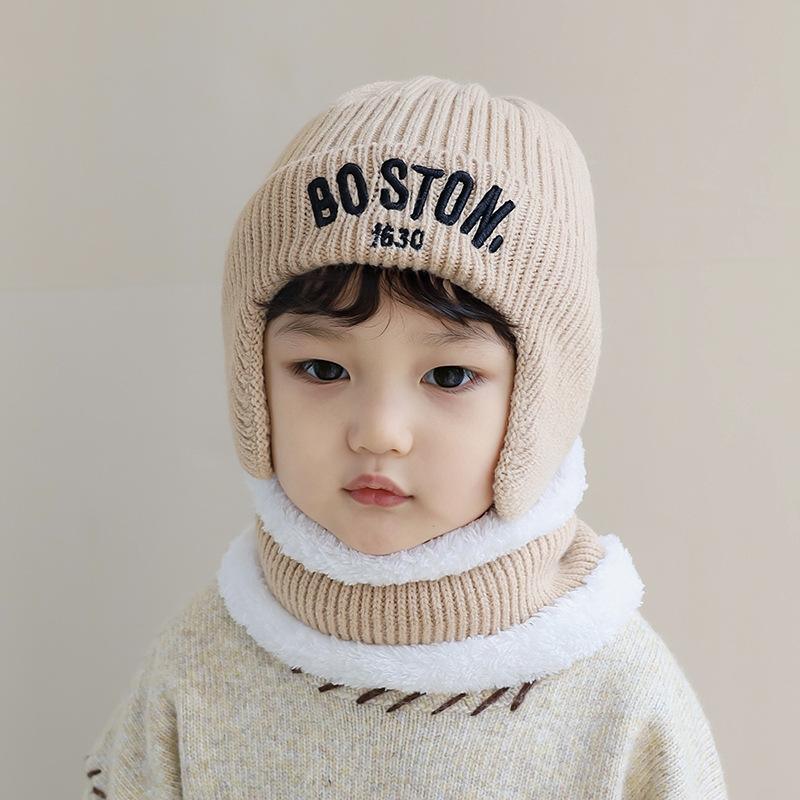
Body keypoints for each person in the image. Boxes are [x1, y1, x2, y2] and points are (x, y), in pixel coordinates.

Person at [82, 75, 729, 799]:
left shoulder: (618, 699)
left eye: (449, 377)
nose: (379, 433)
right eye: (322, 368)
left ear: (539, 404)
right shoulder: (199, 665)